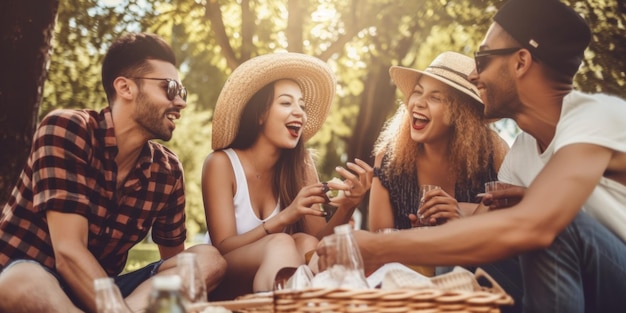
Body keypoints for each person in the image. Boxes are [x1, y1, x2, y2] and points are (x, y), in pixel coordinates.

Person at [321, 0, 626, 312]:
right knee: (456, 263)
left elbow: (537, 226)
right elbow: (478, 231)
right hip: (577, 287)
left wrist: (377, 246)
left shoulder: (598, 117)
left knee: (560, 228)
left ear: (521, 62)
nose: (473, 76)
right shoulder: (522, 151)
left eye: (483, 58)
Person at [0, 32, 226, 313]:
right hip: (32, 286)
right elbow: (68, 253)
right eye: (170, 88)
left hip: (105, 297)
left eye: (182, 92)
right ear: (125, 88)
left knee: (207, 261)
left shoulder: (167, 172)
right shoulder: (66, 129)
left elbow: (176, 269)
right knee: (21, 280)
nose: (180, 102)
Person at [202, 52, 373, 300]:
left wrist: (347, 206)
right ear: (260, 114)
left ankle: (311, 302)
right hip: (225, 277)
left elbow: (319, 241)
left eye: (302, 106)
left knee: (305, 242)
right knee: (281, 242)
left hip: (274, 274)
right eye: (286, 103)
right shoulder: (221, 163)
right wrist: (285, 217)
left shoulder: (301, 166)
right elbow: (223, 247)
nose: (300, 113)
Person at [370, 51, 509, 232]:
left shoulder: (494, 152)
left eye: (435, 97)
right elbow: (379, 240)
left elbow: (515, 218)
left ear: (462, 114)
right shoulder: (388, 160)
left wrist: (463, 214)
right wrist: (416, 238)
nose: (418, 102)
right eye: (417, 92)